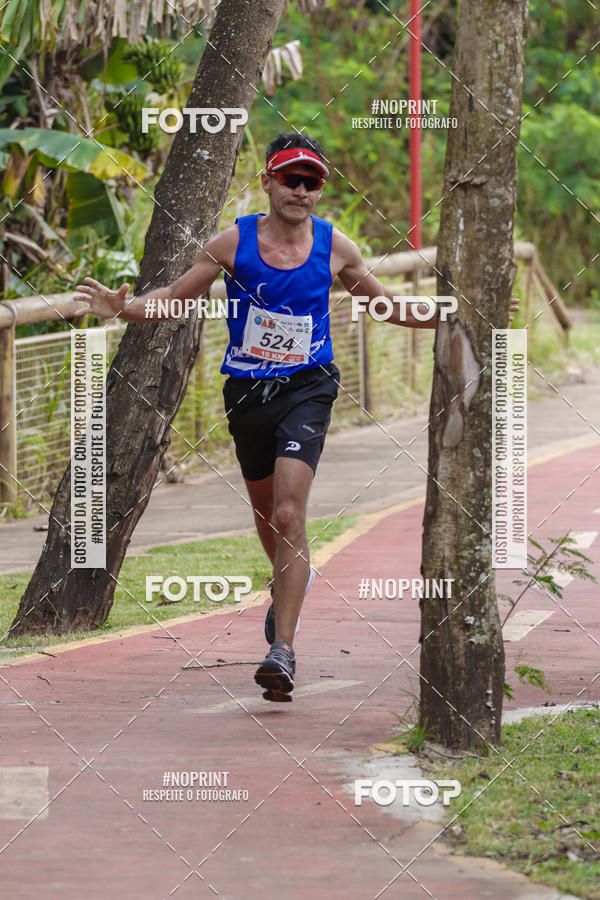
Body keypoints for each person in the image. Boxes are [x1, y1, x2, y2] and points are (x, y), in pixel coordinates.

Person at [73, 131, 457, 703]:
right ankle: (284, 591)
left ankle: (284, 649)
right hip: (248, 395)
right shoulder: (232, 243)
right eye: (291, 179)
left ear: (320, 191)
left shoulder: (336, 247)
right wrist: (124, 307)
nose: (301, 190)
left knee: (287, 510)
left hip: (308, 388)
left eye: (312, 182)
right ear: (269, 183)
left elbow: (388, 306)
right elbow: (176, 297)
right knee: (267, 518)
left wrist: (453, 311)